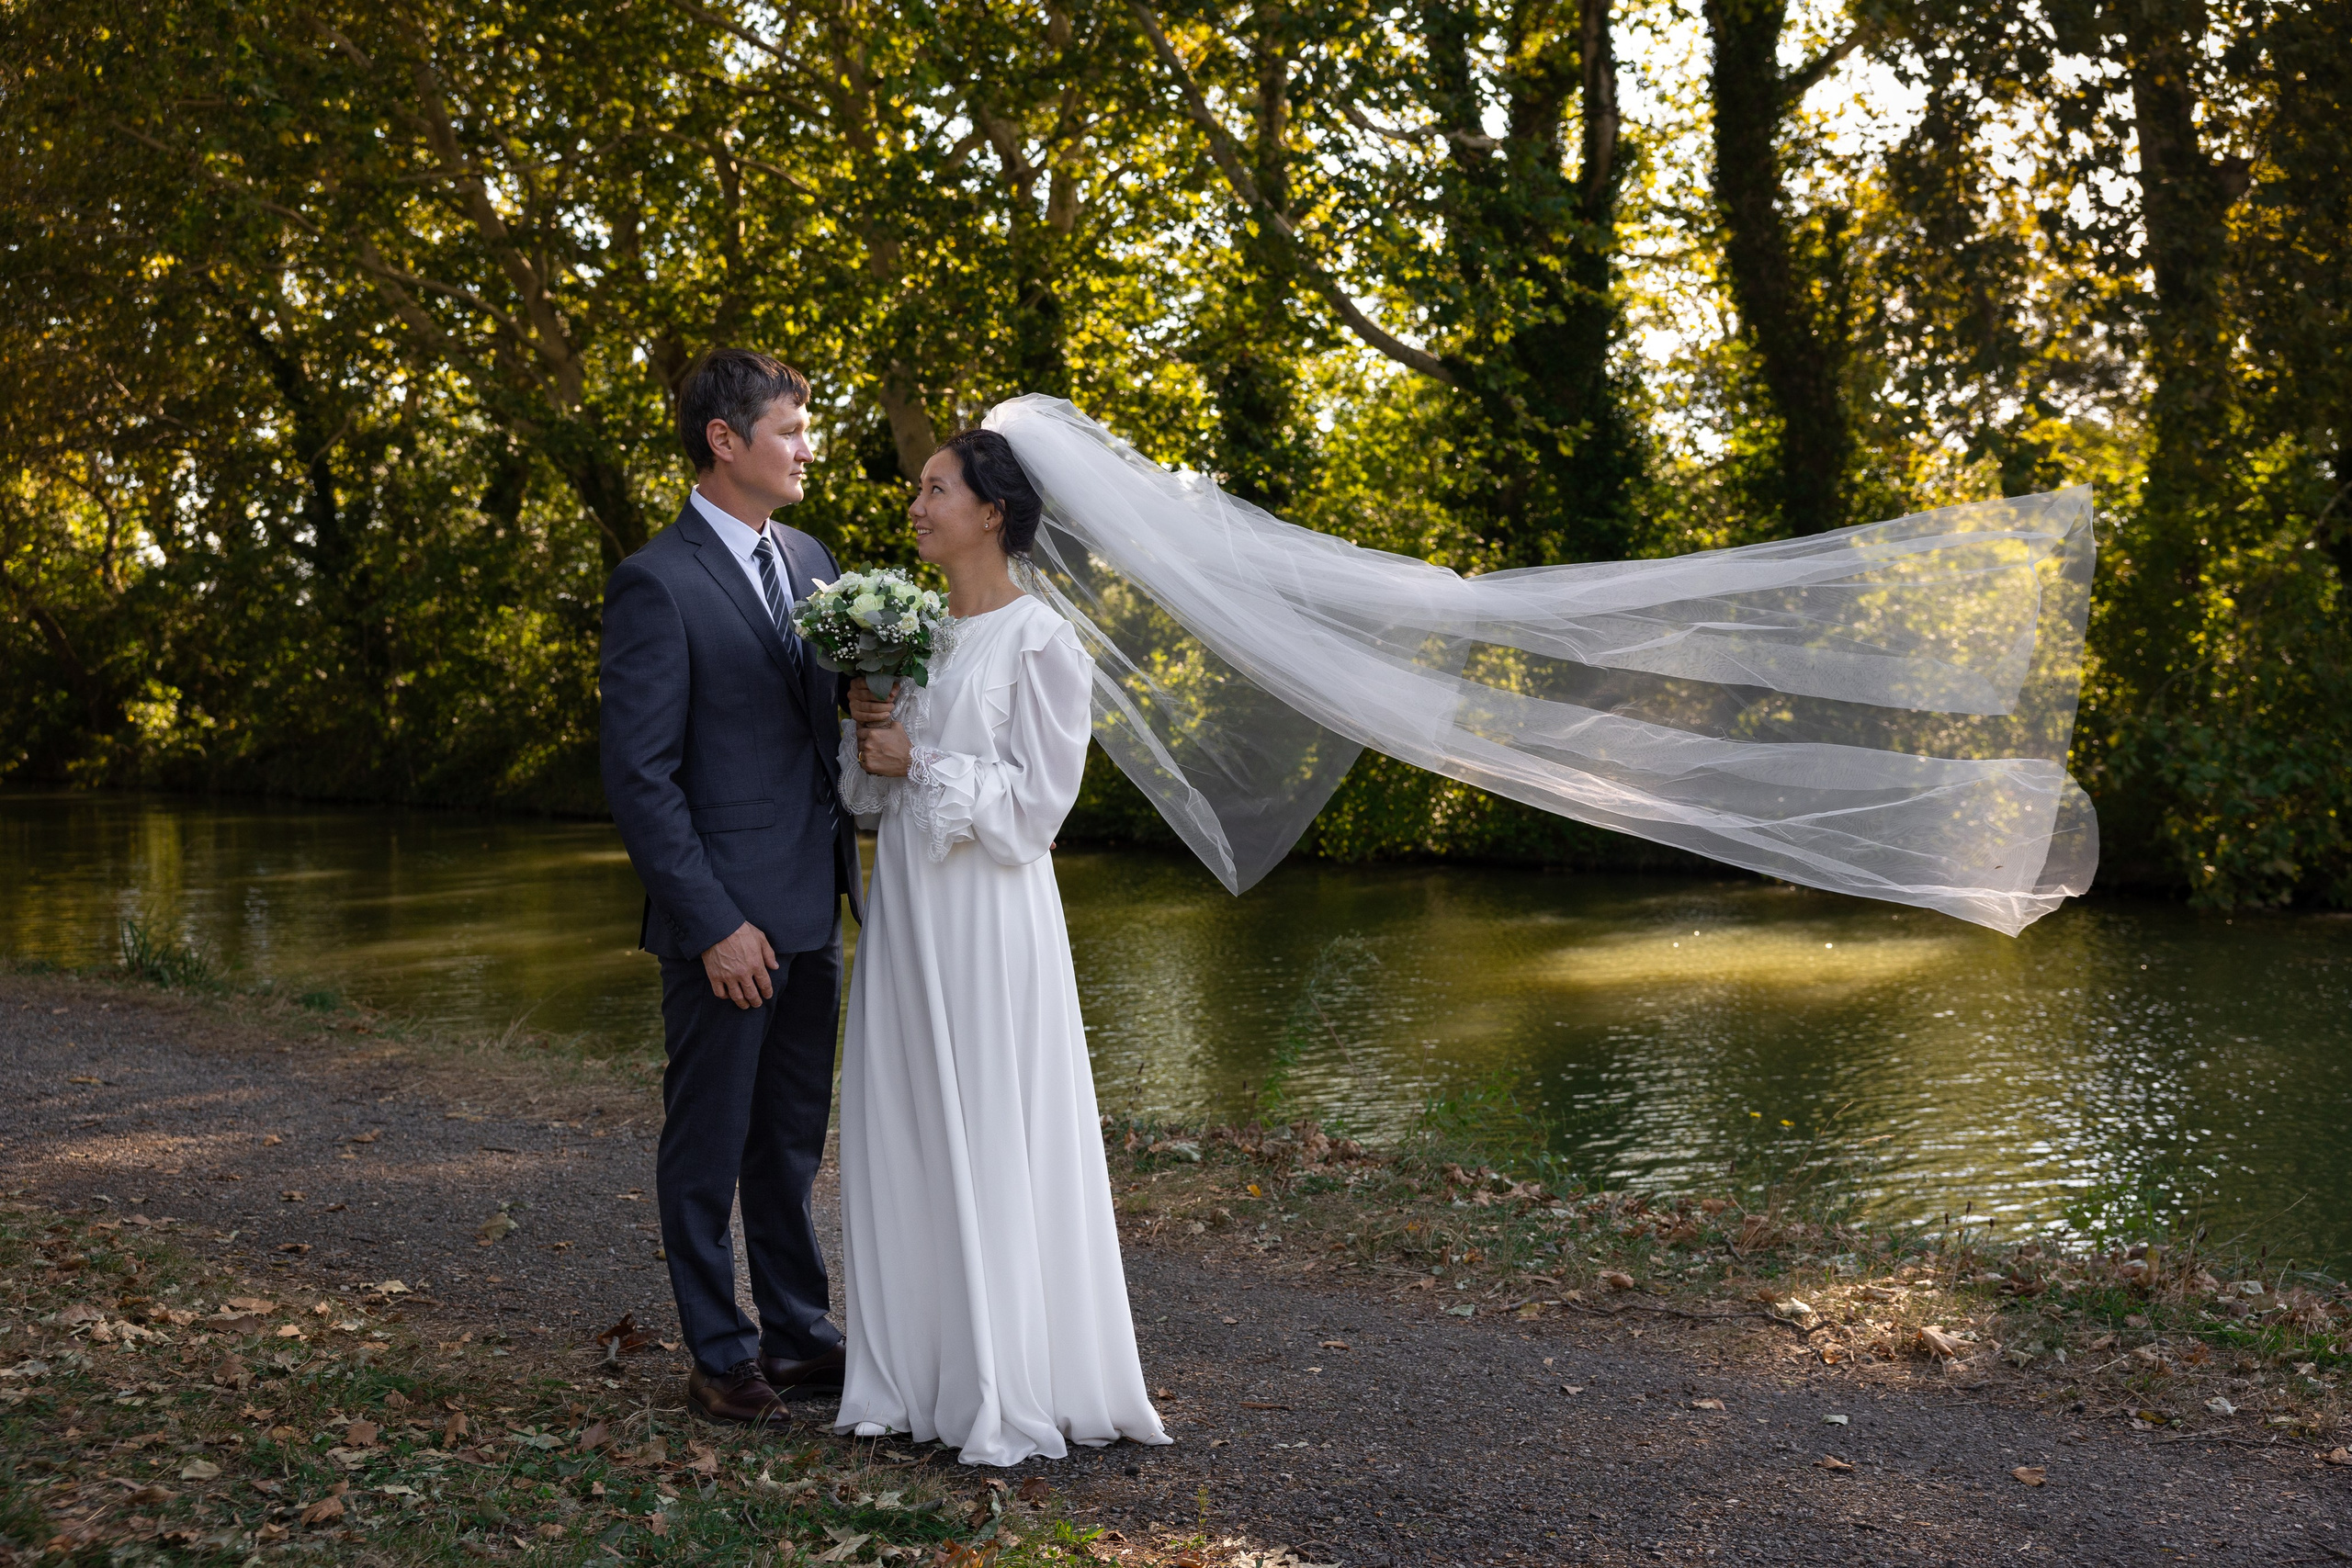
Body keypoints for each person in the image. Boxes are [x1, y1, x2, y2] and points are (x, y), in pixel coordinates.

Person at [833, 429, 1172, 1466]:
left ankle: (1003, 1379)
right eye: (917, 488)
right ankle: (906, 1374)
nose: (916, 504)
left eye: (936, 489)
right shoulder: (913, 637)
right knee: (905, 1120)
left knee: (987, 1117)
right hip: (908, 918)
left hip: (991, 923)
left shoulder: (1043, 644)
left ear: (991, 512)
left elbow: (1035, 814)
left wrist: (917, 758)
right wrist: (869, 738)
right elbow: (865, 802)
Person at [599, 348, 862, 1425]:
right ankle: (720, 1353)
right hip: (727, 926)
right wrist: (713, 924)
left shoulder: (812, 560)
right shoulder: (653, 581)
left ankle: (800, 1337)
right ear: (725, 440)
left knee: (791, 1142)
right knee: (708, 1147)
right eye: (791, 430)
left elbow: (828, 729)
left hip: (815, 902)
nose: (808, 449)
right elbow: (640, 776)